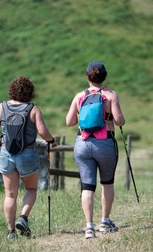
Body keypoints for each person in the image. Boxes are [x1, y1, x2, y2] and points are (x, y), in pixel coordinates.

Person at [0, 76, 57, 240]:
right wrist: (52, 141)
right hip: (27, 154)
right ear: (30, 92)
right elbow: (43, 132)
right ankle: (23, 218)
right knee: (31, 189)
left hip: (6, 153)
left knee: (10, 195)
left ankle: (11, 232)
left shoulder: (1, 107)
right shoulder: (33, 109)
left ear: (12, 90)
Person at [66, 61, 126, 239]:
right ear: (104, 77)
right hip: (105, 143)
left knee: (87, 186)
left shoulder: (79, 96)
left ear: (87, 77)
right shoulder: (110, 95)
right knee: (107, 183)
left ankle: (89, 227)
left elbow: (69, 122)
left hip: (82, 143)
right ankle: (105, 222)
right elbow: (119, 121)